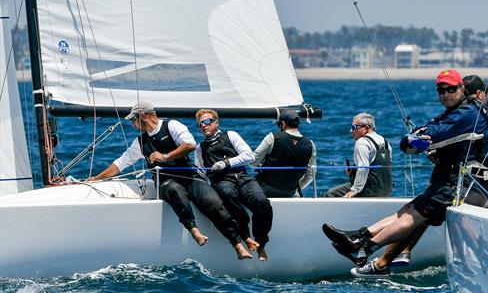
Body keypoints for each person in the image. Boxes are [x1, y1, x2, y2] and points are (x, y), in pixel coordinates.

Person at [322, 68, 488, 278]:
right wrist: (414, 139)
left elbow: (432, 134)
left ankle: (365, 247)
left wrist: (416, 140)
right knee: (406, 210)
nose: (446, 93)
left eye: (451, 89)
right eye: (441, 90)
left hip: (463, 185)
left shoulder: (468, 114)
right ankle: (359, 237)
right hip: (447, 182)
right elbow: (417, 135)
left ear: (462, 89)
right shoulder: (452, 113)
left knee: (412, 216)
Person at [87, 102, 251, 260]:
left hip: (189, 176)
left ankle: (237, 243)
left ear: (143, 116)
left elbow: (190, 145)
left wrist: (164, 157)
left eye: (133, 120)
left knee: (212, 201)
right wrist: (96, 178)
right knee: (175, 191)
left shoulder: (172, 126)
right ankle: (194, 230)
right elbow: (120, 163)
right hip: (166, 183)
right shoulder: (140, 142)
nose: (133, 124)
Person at [194, 109, 272, 261]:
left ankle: (261, 244)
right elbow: (201, 172)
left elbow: (248, 155)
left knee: (262, 203)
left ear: (216, 123)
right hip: (221, 181)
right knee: (228, 195)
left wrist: (225, 163)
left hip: (243, 177)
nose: (204, 126)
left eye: (207, 122)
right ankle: (246, 237)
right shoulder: (199, 148)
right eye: (200, 124)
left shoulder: (231, 135)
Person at [324, 112, 392, 198]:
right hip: (386, 190)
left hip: (368, 190)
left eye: (354, 127)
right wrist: (353, 172)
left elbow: (363, 168)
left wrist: (354, 190)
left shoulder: (362, 142)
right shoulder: (385, 141)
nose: (351, 131)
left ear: (366, 128)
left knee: (330, 194)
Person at [252, 109, 317, 198]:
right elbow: (311, 174)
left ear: (283, 124)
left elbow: (252, 161)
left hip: (265, 188)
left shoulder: (272, 138)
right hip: (290, 191)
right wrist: (296, 188)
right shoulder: (310, 144)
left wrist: (259, 166)